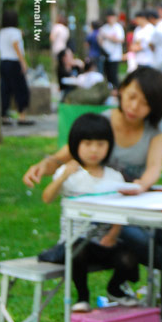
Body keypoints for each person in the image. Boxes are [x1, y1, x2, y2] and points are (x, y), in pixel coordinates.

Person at [23, 66, 162, 322]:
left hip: (139, 204)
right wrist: (44, 166)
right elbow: (64, 155)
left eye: (144, 103)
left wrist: (139, 187)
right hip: (107, 221)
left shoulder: (158, 127)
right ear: (121, 90)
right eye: (131, 97)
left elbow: (153, 169)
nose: (134, 107)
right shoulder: (103, 122)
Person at [42, 114, 140, 311]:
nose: (94, 150)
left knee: (130, 256)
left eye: (100, 144)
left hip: (103, 243)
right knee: (78, 250)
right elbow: (47, 197)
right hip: (73, 243)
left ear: (109, 146)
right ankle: (82, 297)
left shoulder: (114, 176)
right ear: (76, 144)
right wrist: (62, 177)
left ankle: (115, 289)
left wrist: (113, 235)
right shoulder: (69, 174)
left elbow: (120, 211)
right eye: (87, 143)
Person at [0, 9, 35, 126]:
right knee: (21, 89)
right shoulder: (15, 31)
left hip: (3, 62)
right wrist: (23, 62)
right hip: (14, 62)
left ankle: (3, 116)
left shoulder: (0, 32)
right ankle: (22, 117)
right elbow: (15, 45)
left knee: (5, 90)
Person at [98, 10, 125, 89]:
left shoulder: (118, 27)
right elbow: (100, 39)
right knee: (107, 75)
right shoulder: (104, 28)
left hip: (115, 55)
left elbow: (120, 39)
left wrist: (108, 37)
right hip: (105, 54)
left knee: (113, 75)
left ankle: (117, 90)